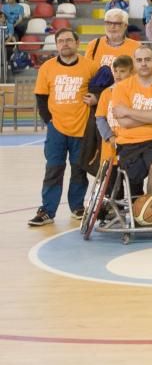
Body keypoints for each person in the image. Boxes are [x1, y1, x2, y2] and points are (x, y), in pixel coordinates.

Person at [28, 30, 99, 226]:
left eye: (69, 40)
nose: (65, 44)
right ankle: (47, 211)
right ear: (56, 45)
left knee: (79, 169)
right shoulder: (47, 68)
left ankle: (77, 207)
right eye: (60, 41)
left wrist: (97, 98)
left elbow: (103, 90)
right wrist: (48, 119)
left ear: (77, 42)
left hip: (82, 128)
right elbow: (41, 96)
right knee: (53, 169)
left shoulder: (90, 67)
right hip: (57, 129)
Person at [111, 45, 152, 201]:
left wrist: (128, 111)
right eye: (139, 60)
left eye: (147, 60)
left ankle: (150, 212)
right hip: (129, 143)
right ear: (134, 63)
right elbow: (125, 123)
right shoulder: (121, 88)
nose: (143, 64)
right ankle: (140, 208)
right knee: (133, 180)